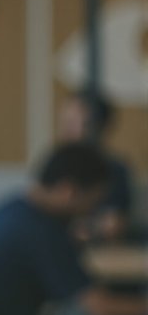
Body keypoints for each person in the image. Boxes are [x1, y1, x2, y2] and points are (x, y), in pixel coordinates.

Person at [0, 141, 148, 315]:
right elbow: (99, 311)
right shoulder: (43, 232)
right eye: (93, 201)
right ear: (68, 191)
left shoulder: (13, 210)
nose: (92, 211)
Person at [54, 91, 137, 244]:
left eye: (72, 123)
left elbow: (113, 225)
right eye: (64, 121)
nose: (65, 130)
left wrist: (85, 229)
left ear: (96, 127)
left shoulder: (114, 169)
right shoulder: (56, 166)